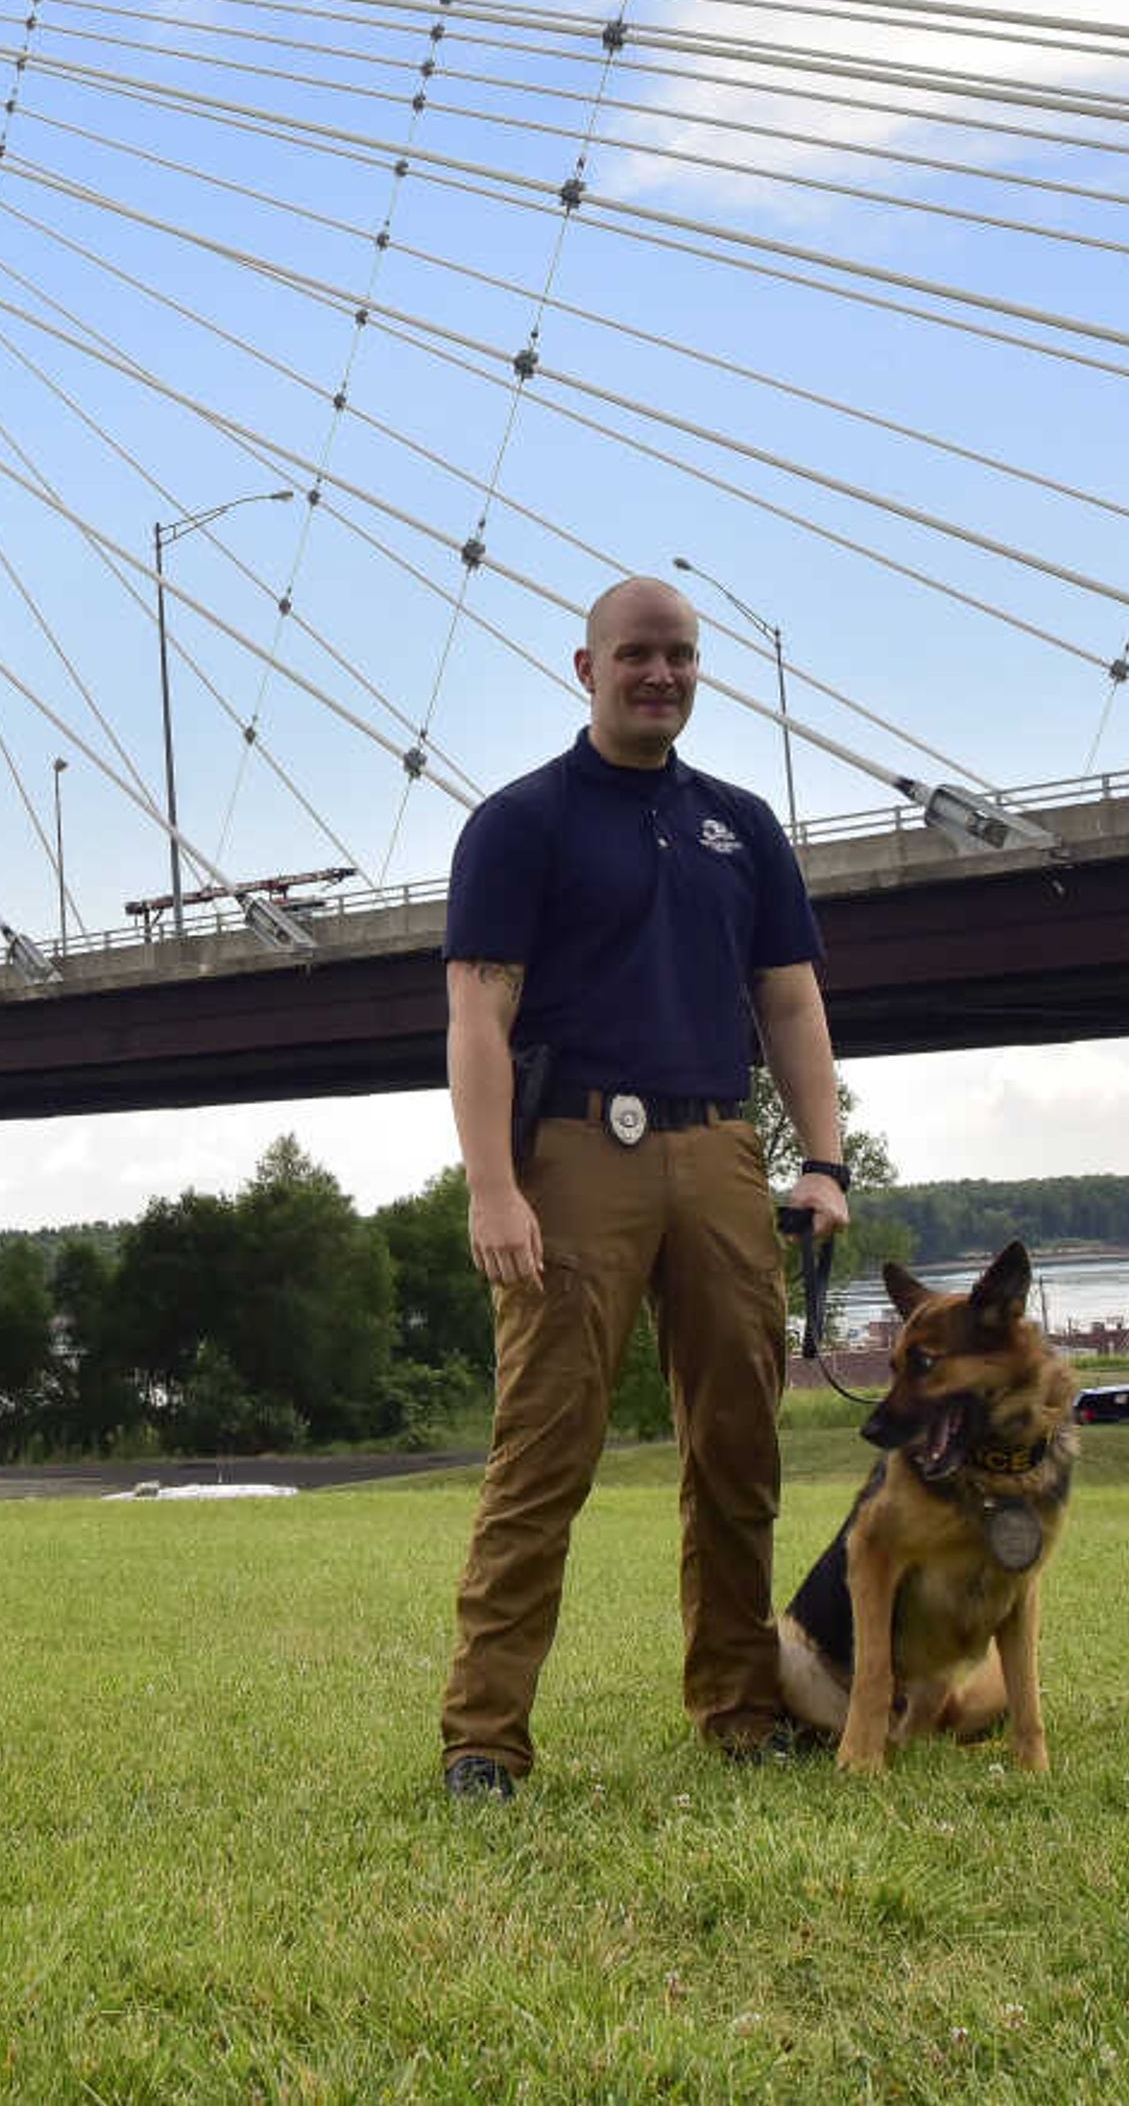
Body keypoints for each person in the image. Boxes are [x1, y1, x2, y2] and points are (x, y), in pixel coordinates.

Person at [436, 574, 849, 1798]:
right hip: (570, 1155)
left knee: (739, 1443)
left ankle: (737, 1704)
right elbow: (479, 1010)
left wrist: (821, 1158)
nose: (659, 674)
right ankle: (484, 1740)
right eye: (635, 656)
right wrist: (492, 1187)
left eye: (679, 656)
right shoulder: (521, 821)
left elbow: (789, 998)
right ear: (585, 667)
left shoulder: (741, 825)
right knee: (543, 1453)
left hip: (721, 1149)